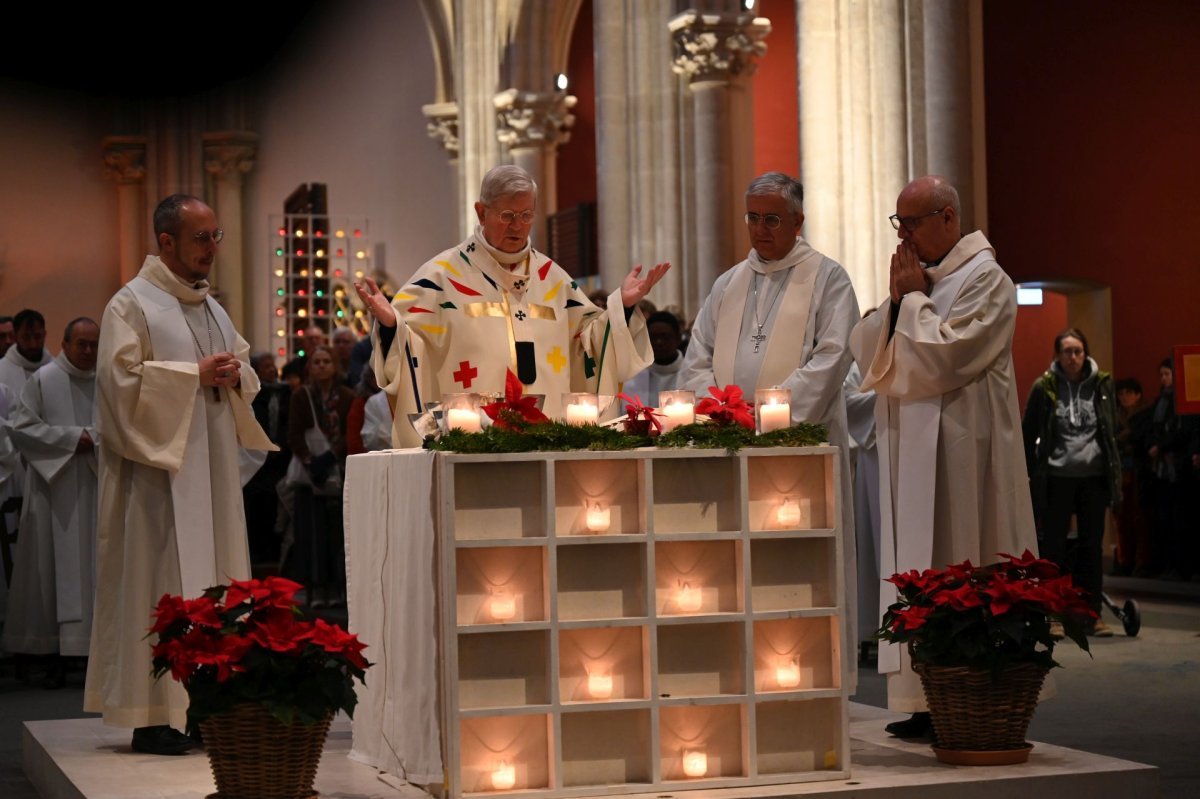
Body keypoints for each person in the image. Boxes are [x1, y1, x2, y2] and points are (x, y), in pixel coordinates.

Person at [82, 194, 274, 755]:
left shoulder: (212, 308)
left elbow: (241, 370)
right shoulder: (131, 304)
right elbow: (118, 388)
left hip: (209, 480)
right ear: (166, 242)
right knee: (160, 582)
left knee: (213, 584)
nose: (212, 248)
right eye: (201, 238)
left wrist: (237, 375)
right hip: (156, 486)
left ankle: (206, 708)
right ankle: (153, 716)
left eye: (216, 236)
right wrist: (192, 374)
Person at [849, 175, 1037, 739]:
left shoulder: (989, 281)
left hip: (964, 453)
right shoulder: (922, 279)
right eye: (898, 223)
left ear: (948, 218)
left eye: (911, 223)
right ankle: (922, 698)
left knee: (964, 553)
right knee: (918, 567)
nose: (902, 236)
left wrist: (912, 302)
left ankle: (971, 694)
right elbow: (868, 346)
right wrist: (904, 301)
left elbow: (948, 355)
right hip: (912, 447)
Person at [680, 171, 860, 674]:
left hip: (799, 450)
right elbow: (698, 358)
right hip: (730, 445)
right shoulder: (728, 284)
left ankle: (814, 674)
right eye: (753, 218)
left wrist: (766, 418)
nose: (760, 230)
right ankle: (734, 670)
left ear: (798, 221)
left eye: (772, 219)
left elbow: (833, 357)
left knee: (798, 568)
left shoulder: (829, 279)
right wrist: (718, 410)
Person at [355, 165, 668, 445]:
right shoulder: (440, 278)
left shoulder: (552, 279)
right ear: (481, 212)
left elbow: (590, 343)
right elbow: (410, 347)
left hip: (549, 436)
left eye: (526, 215)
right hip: (473, 442)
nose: (518, 226)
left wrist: (621, 308)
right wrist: (391, 325)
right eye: (507, 216)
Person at [2, 318, 100, 687]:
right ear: (65, 343)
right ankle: (55, 652)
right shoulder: (44, 379)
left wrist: (97, 441)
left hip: (96, 489)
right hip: (53, 492)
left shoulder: (109, 382)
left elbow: (126, 430)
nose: (88, 351)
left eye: (94, 345)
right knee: (50, 569)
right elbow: (21, 429)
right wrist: (74, 440)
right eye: (82, 344)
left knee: (95, 570)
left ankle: (92, 652)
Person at [1022, 328, 1120, 637]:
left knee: (1092, 548)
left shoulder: (1102, 385)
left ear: (1085, 352)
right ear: (1058, 355)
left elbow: (1111, 430)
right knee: (1053, 549)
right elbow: (1028, 433)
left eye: (1078, 351)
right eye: (1067, 351)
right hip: (1056, 478)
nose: (1073, 357)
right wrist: (1026, 474)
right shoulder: (1045, 387)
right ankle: (1053, 615)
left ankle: (1092, 616)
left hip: (1093, 479)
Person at [285, 345, 354, 607]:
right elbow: (293, 433)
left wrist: (331, 457)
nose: (322, 366)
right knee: (311, 534)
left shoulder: (347, 396)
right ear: (310, 367)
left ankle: (337, 590)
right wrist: (311, 462)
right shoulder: (301, 396)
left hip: (337, 469)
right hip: (309, 472)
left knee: (336, 533)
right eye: (317, 362)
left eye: (327, 361)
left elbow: (349, 432)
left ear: (335, 365)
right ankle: (315, 589)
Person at [244, 352, 292, 567]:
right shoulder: (250, 395)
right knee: (256, 510)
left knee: (276, 510)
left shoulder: (286, 392)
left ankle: (274, 557)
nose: (271, 370)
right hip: (257, 461)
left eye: (273, 366)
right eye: (265, 367)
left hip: (281, 461)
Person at [1112, 378, 1152, 576]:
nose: (1124, 397)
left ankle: (1141, 561)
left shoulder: (1145, 414)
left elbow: (1140, 439)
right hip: (1120, 469)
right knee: (1121, 517)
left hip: (1138, 469)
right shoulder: (1114, 415)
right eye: (1121, 394)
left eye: (1129, 393)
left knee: (1140, 516)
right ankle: (1123, 560)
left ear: (1137, 394)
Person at [619, 311, 685, 411]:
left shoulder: (690, 373)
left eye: (665, 337)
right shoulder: (633, 378)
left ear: (678, 338)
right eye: (653, 337)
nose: (659, 342)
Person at [0, 308, 52, 398]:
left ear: (44, 334)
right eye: (26, 337)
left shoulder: (57, 368)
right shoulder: (1, 371)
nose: (33, 344)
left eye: (37, 336)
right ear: (16, 337)